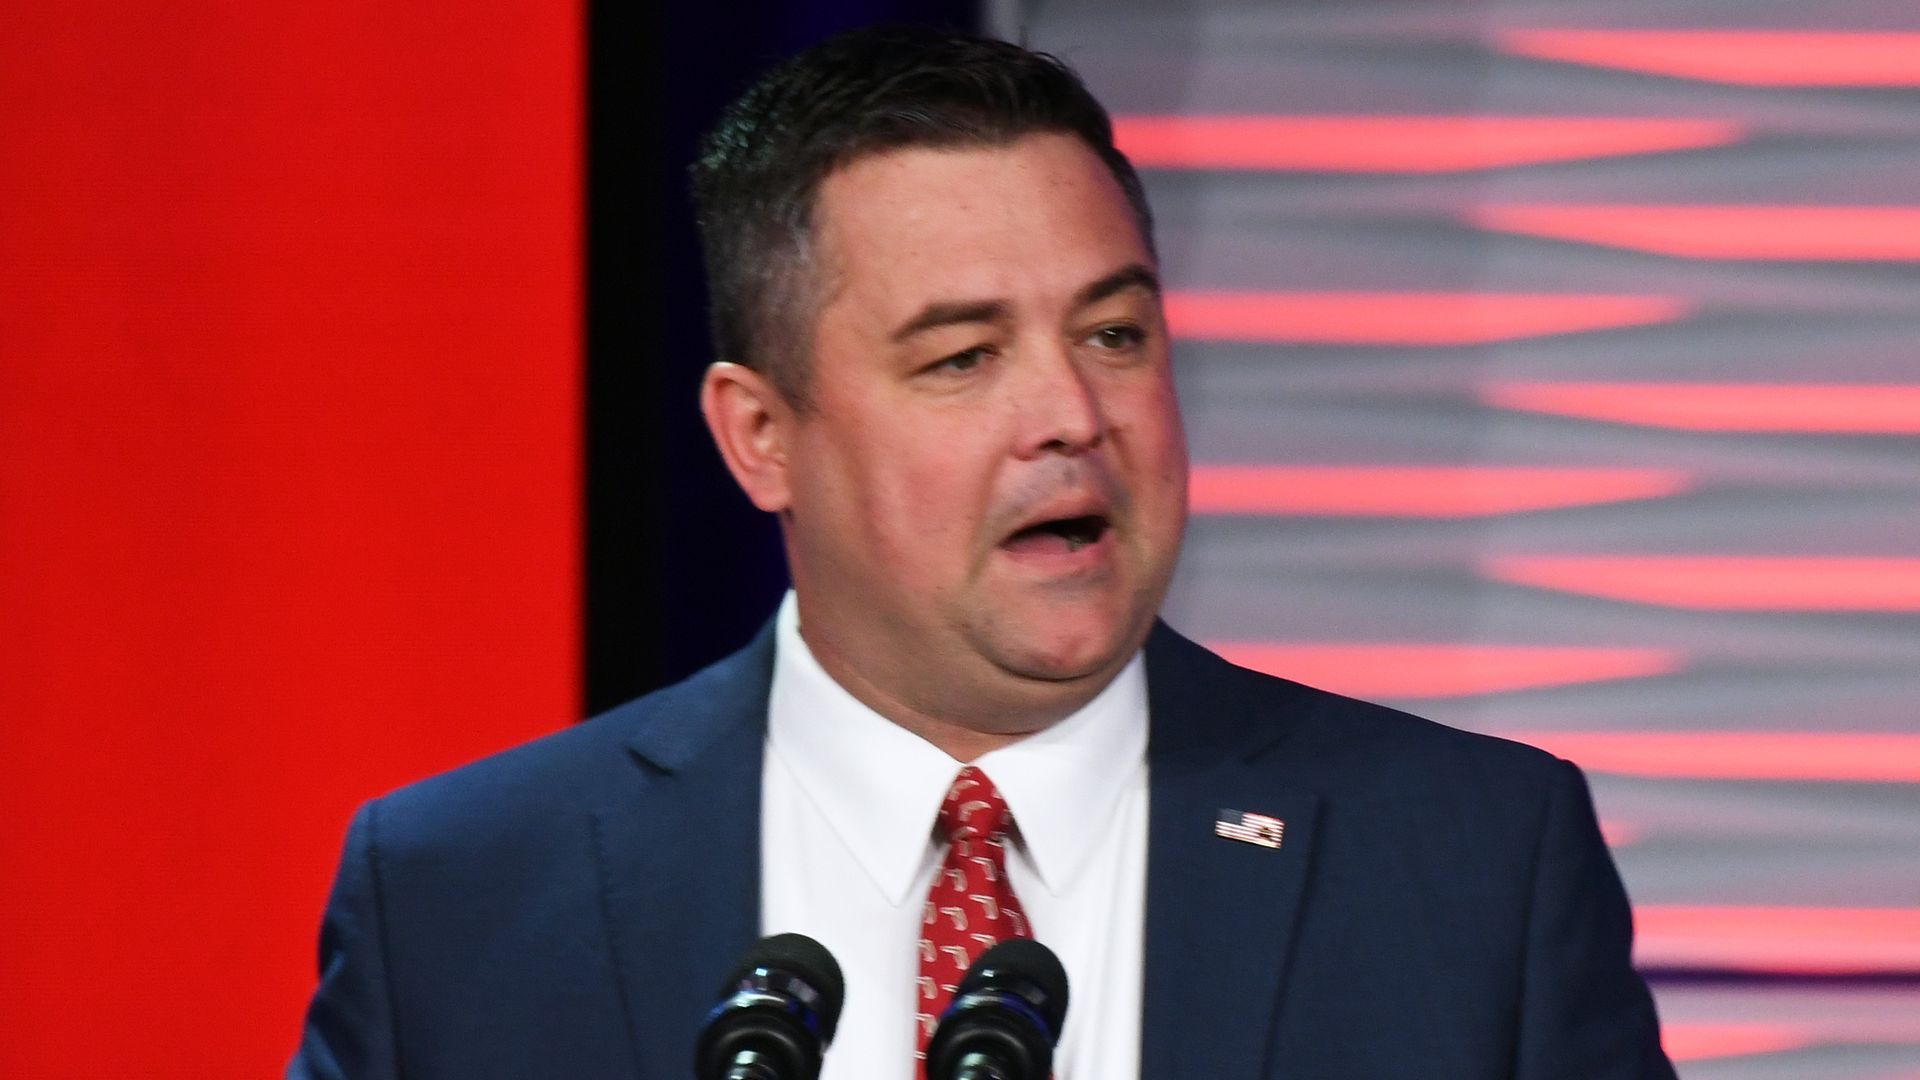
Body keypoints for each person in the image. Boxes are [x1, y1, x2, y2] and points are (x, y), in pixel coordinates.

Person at [289, 26, 1676, 1080]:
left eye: (1114, 335)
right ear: (761, 435)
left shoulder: (1472, 866)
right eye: (963, 358)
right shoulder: (462, 896)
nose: (1072, 417)